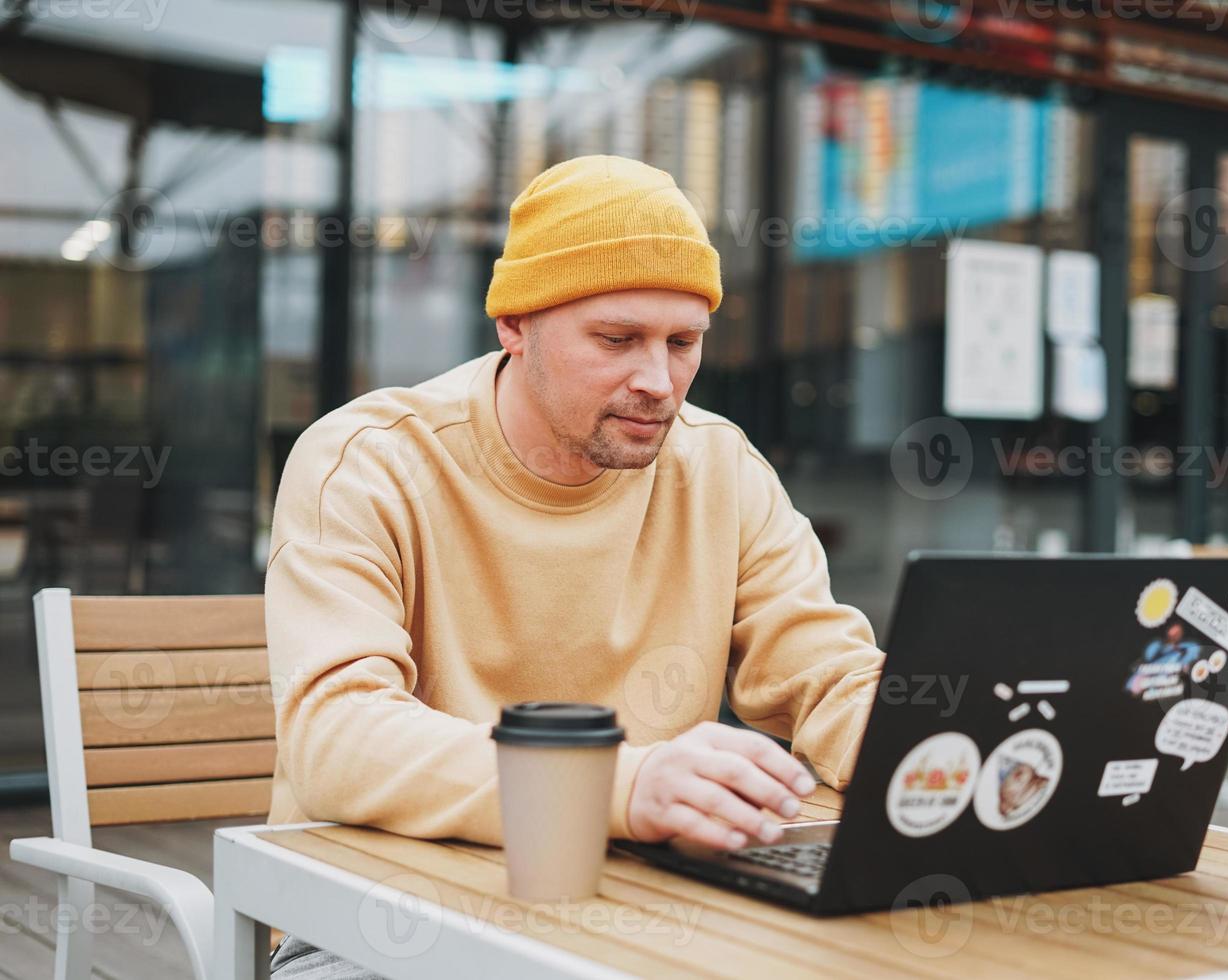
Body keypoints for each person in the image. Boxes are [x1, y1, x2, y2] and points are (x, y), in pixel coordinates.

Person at [266, 155, 885, 976]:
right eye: (617, 339)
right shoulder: (369, 462)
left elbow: (826, 672)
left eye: (684, 342)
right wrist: (617, 789)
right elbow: (337, 737)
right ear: (514, 326)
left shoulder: (722, 467)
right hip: (381, 912)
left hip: (640, 898)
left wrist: (936, 751)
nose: (658, 382)